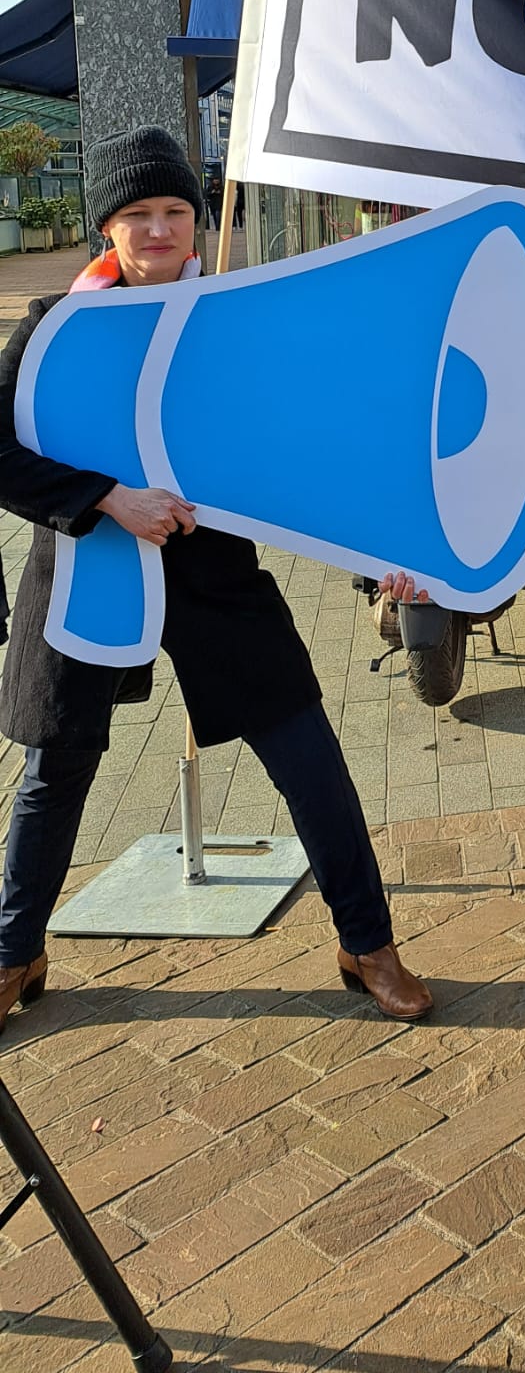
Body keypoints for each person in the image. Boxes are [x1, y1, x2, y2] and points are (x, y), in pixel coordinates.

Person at [0, 127, 432, 1033]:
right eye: (137, 213)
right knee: (55, 770)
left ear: (197, 221)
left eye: (175, 210)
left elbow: (305, 463)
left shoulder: (230, 325)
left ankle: (367, 942)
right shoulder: (54, 331)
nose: (160, 229)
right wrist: (106, 498)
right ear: (106, 228)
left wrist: (385, 558)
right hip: (87, 572)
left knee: (308, 756)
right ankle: (15, 952)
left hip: (215, 580)